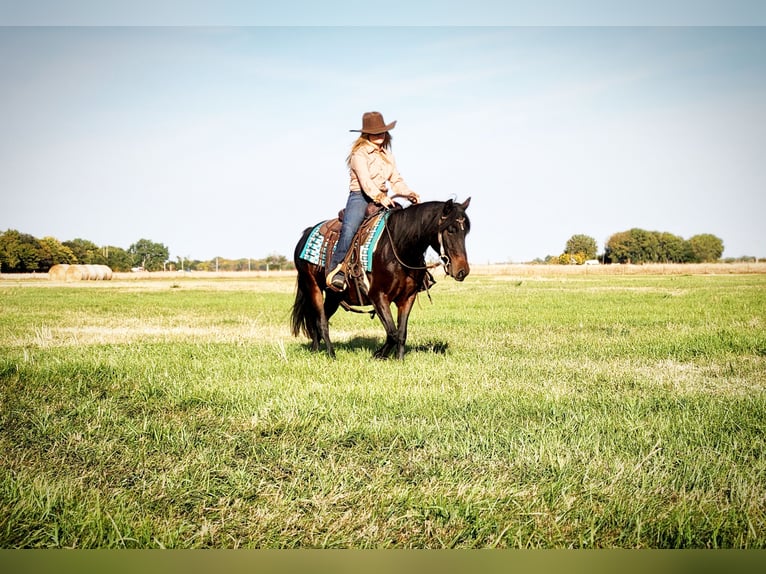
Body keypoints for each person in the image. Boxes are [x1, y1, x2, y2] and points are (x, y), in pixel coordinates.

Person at [327, 111, 420, 290]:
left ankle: (414, 272)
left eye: (382, 132)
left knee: (406, 226)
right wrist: (379, 197)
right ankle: (337, 269)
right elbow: (365, 182)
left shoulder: (387, 156)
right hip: (360, 197)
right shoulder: (359, 154)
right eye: (375, 132)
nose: (379, 135)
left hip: (383, 198)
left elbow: (396, 180)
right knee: (349, 228)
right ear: (367, 134)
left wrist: (409, 193)